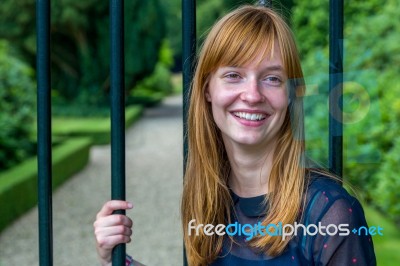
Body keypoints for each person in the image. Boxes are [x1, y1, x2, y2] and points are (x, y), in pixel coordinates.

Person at [94, 5, 377, 266]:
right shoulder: (210, 197)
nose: (252, 95)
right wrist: (118, 259)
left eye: (272, 78)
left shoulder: (330, 213)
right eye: (233, 75)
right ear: (207, 89)